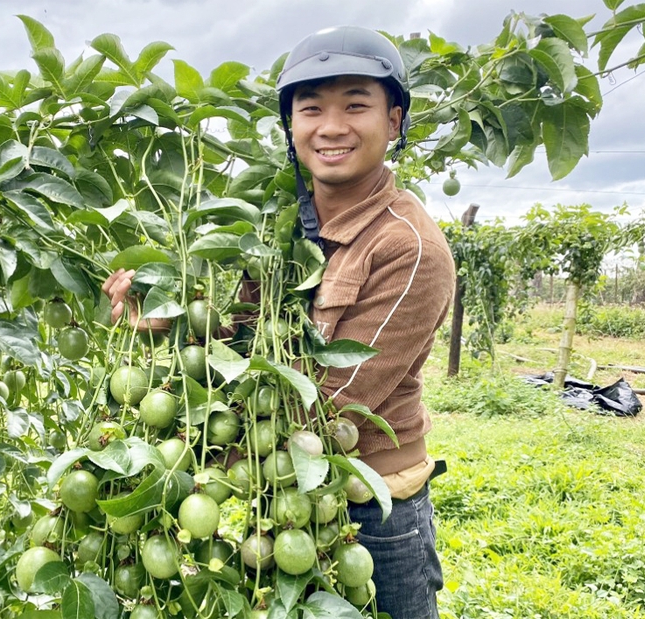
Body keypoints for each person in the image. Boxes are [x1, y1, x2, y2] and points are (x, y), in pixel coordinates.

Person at [103, 25, 455, 619]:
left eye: (356, 105)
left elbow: (320, 408)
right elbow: (243, 337)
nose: (332, 126)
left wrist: (182, 461)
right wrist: (168, 318)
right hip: (277, 502)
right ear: (291, 127)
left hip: (366, 514)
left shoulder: (408, 246)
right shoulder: (279, 227)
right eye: (311, 108)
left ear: (394, 121)